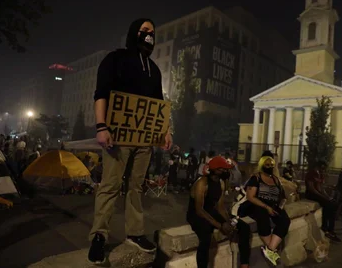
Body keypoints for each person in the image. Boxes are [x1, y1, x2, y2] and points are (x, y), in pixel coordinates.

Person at [88, 18, 173, 264]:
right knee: (110, 186)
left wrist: (166, 131)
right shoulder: (114, 59)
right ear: (133, 33)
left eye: (152, 32)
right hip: (117, 136)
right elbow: (101, 93)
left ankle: (135, 233)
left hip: (144, 139)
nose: (149, 35)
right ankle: (98, 237)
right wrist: (101, 126)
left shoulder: (154, 69)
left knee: (136, 187)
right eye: (144, 30)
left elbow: (158, 105)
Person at [187, 156, 251, 268]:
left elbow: (220, 207)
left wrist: (229, 221)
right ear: (215, 170)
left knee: (244, 228)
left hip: (211, 212)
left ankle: (244, 264)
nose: (226, 171)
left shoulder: (221, 183)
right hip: (196, 215)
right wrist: (220, 225)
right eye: (223, 169)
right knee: (206, 238)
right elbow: (199, 210)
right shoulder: (202, 183)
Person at [239, 156, 290, 266]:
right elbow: (250, 197)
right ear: (262, 165)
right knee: (262, 215)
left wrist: (279, 207)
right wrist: (266, 207)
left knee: (285, 220)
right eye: (267, 165)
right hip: (255, 205)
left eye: (272, 165)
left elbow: (283, 196)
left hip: (272, 205)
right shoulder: (256, 178)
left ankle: (270, 249)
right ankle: (271, 250)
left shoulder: (275, 179)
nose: (270, 167)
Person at [305, 161, 341, 242]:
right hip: (311, 194)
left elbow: (321, 188)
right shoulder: (311, 174)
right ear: (318, 167)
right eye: (322, 168)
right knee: (327, 204)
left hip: (318, 194)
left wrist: (328, 197)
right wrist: (323, 197)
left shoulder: (320, 174)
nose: (323, 170)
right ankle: (325, 227)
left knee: (334, 204)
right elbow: (312, 189)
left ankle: (331, 229)